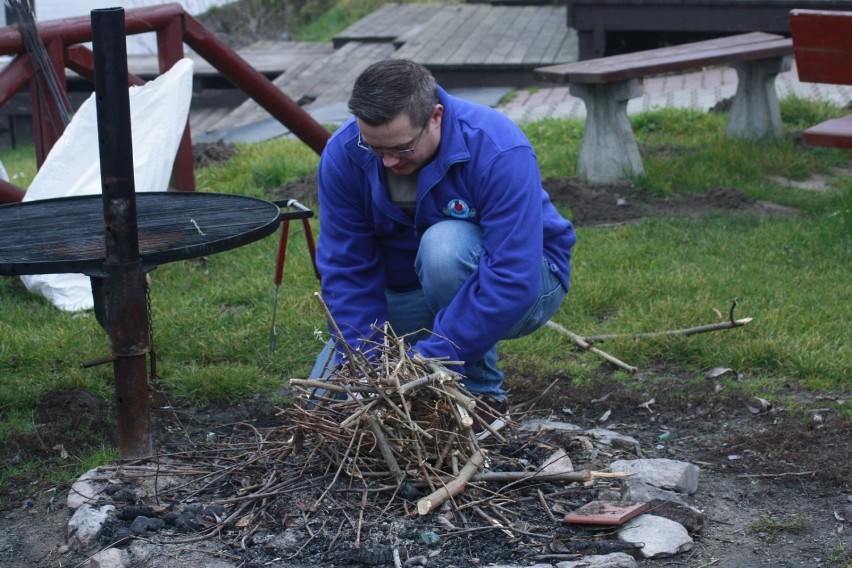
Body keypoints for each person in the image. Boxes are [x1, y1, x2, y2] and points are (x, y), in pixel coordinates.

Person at [310, 58, 575, 410]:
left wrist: (427, 361)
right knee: (329, 400)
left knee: (444, 250)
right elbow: (347, 269)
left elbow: (513, 277)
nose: (388, 161)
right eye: (376, 148)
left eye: (401, 148)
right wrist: (367, 365)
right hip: (410, 289)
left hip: (529, 280)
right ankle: (430, 360)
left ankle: (481, 394)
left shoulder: (496, 148)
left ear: (436, 116)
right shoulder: (344, 154)